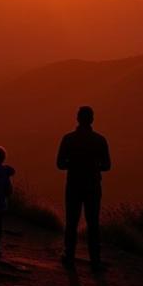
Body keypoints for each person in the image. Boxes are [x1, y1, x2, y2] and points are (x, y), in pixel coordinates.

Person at [56, 105, 111, 271]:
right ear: (92, 119)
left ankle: (69, 256)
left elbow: (59, 164)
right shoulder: (100, 140)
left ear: (77, 119)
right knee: (93, 223)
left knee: (71, 221)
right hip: (93, 185)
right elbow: (107, 166)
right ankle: (95, 260)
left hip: (73, 184)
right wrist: (94, 167)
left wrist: (73, 164)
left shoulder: (68, 139)